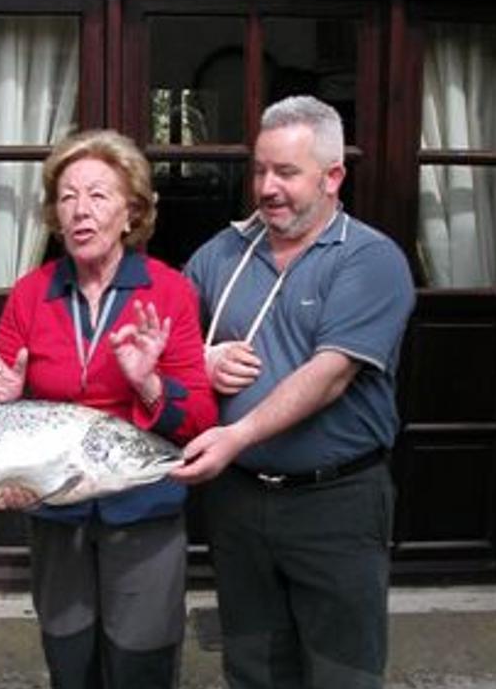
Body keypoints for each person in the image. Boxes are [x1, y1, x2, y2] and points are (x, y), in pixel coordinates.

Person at [173, 96, 416, 689]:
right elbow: (167, 340)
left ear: (333, 177)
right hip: (239, 502)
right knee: (254, 665)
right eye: (260, 170)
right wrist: (200, 361)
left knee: (341, 673)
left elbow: (332, 372)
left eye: (286, 172)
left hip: (336, 503)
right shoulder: (222, 253)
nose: (267, 187)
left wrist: (237, 434)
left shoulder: (369, 258)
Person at [0, 129, 217, 689]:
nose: (81, 210)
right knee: (69, 660)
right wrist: (4, 403)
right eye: (67, 196)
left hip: (144, 513)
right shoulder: (30, 294)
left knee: (140, 663)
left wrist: (150, 383)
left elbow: (200, 418)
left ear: (131, 211)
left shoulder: (169, 292)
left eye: (99, 196)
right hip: (57, 515)